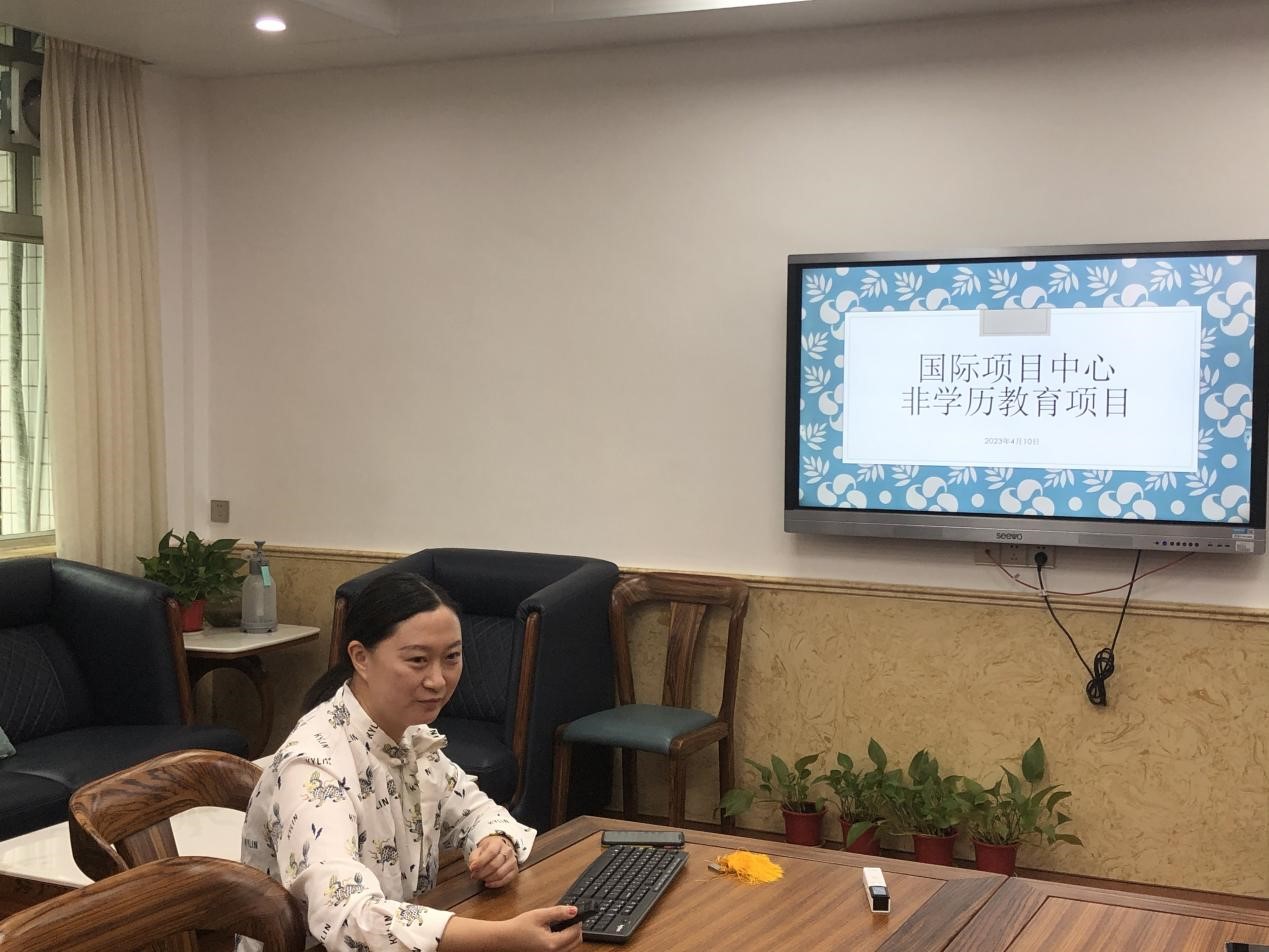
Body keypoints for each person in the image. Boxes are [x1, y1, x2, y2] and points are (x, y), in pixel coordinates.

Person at [239, 572, 583, 952]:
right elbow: (350, 918)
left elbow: (473, 811)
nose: (438, 680)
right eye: (418, 660)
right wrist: (503, 938)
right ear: (361, 658)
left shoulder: (408, 735)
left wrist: (494, 843)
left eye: (451, 657)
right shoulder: (314, 768)